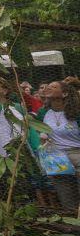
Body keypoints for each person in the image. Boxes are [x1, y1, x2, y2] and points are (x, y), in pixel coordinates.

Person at [35, 78, 80, 211]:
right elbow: (41, 134)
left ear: (65, 94)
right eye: (47, 86)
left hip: (77, 154)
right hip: (56, 157)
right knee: (66, 196)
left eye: (53, 87)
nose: (48, 88)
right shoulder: (43, 113)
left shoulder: (77, 112)